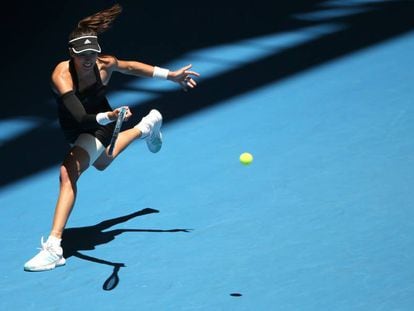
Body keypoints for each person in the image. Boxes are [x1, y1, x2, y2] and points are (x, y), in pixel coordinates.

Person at [24, 3, 199, 272]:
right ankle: (147, 126)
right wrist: (112, 115)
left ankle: (54, 248)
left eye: (92, 53)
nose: (88, 59)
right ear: (72, 53)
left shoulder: (105, 64)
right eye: (82, 54)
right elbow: (81, 118)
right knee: (103, 162)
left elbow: (130, 67)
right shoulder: (61, 76)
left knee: (67, 173)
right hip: (81, 123)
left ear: (97, 51)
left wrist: (169, 75)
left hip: (99, 124)